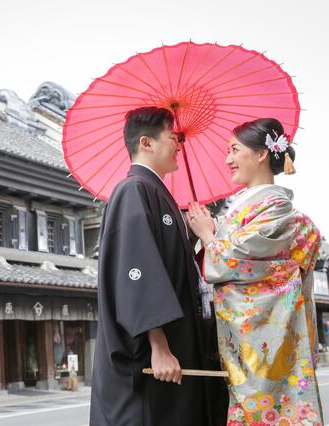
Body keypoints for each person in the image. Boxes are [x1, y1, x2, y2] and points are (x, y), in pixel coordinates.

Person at [90, 107, 221, 426]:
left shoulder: (157, 193)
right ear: (146, 143)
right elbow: (138, 271)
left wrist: (195, 234)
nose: (178, 145)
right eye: (172, 137)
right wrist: (158, 345)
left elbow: (170, 264)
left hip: (177, 344)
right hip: (154, 351)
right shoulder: (133, 189)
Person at [188, 118, 324, 425]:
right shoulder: (245, 207)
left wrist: (210, 236)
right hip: (246, 340)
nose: (227, 159)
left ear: (262, 154)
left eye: (234, 150)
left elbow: (233, 264)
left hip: (264, 340)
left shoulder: (276, 208)